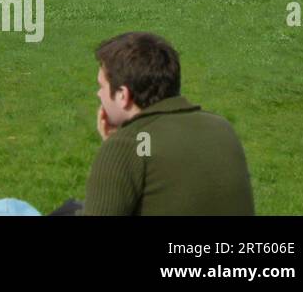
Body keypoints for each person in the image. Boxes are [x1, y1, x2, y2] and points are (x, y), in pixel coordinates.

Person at [85, 31, 254, 215]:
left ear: (123, 96)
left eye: (101, 86)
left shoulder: (126, 146)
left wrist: (114, 149)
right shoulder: (222, 128)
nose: (98, 94)